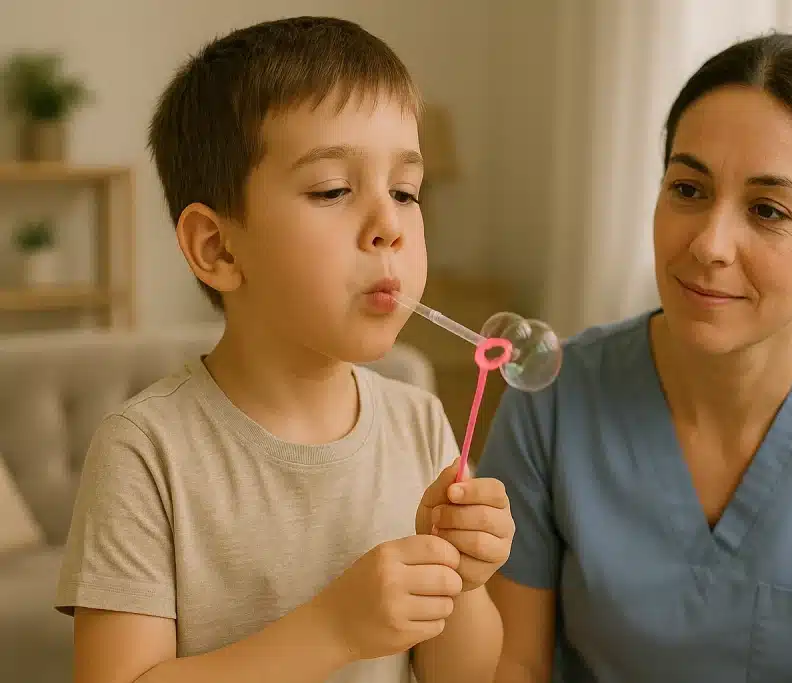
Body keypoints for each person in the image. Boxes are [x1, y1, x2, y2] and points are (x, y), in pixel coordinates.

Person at [477, 32, 792, 683]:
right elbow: (514, 664)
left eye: (767, 209)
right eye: (688, 190)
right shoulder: (549, 398)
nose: (711, 244)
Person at [54, 16, 514, 683]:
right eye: (333, 189)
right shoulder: (144, 449)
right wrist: (333, 628)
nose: (390, 225)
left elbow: (464, 673)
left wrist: (465, 581)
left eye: (406, 191)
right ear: (218, 247)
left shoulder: (420, 423)